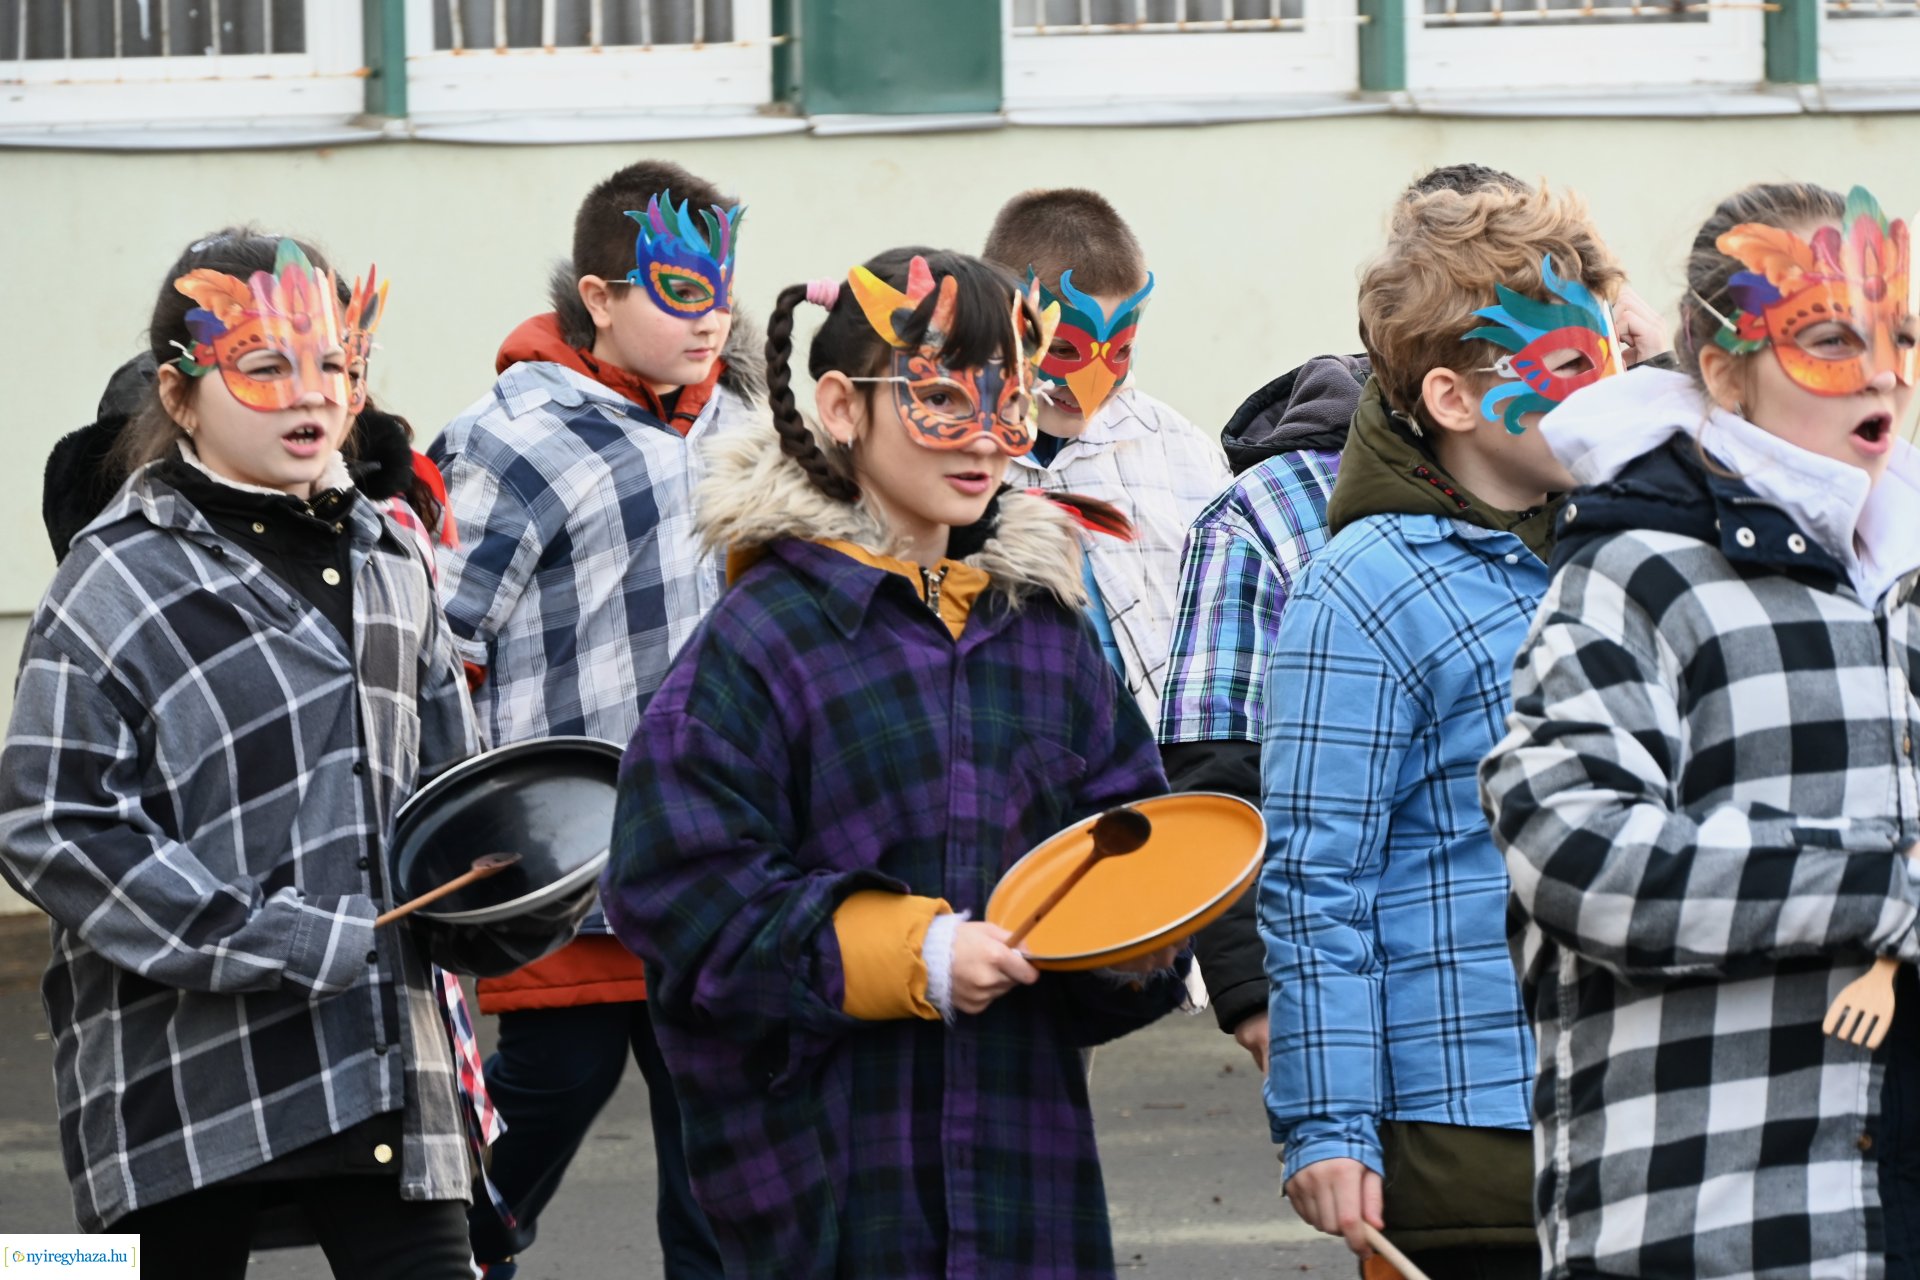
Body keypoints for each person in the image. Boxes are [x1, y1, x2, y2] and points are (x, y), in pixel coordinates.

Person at [601, 248, 1190, 1279]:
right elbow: (678, 888)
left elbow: (1126, 831)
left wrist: (1130, 943)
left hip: (1026, 1185)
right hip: (835, 1189)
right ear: (842, 406)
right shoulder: (764, 638)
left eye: (1011, 402)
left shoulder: (1046, 637)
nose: (987, 438)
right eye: (941, 399)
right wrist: (910, 954)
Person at [0, 230, 564, 1279]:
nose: (310, 393)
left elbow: (448, 800)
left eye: (336, 365)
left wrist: (519, 885)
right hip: (183, 1083)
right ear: (179, 396)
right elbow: (51, 822)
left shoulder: (393, 559)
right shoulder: (112, 579)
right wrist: (267, 937)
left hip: (385, 1063)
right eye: (264, 365)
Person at [1481, 181, 1920, 1280]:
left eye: (1903, 336)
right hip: (1719, 1222)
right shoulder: (1637, 575)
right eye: (1830, 339)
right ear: (1724, 370)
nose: (1883, 374)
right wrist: (1886, 884)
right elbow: (1574, 850)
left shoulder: (1907, 584)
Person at [1258, 183, 1632, 1277]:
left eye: (1610, 354)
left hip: (1635, 1107)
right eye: (1567, 363)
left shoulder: (1624, 557)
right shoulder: (1363, 586)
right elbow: (1317, 878)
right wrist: (1327, 1122)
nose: (1605, 390)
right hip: (1467, 1129)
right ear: (1453, 398)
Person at [430, 158, 760, 1280]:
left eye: (721, 293)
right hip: (564, 853)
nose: (710, 318)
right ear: (599, 297)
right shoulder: (510, 439)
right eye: (679, 292)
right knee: (552, 1083)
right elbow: (443, 644)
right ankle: (447, 1252)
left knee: (711, 1121)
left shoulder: (744, 425)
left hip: (708, 846)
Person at [1158, 164, 1533, 1067]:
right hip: (1386, 985)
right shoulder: (1270, 508)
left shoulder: (1585, 482)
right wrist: (1255, 990)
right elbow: (1218, 760)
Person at [982, 188, 1230, 723]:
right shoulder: (947, 462)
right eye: (1063, 349)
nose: (1089, 385)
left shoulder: (1181, 453)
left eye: (1121, 350)